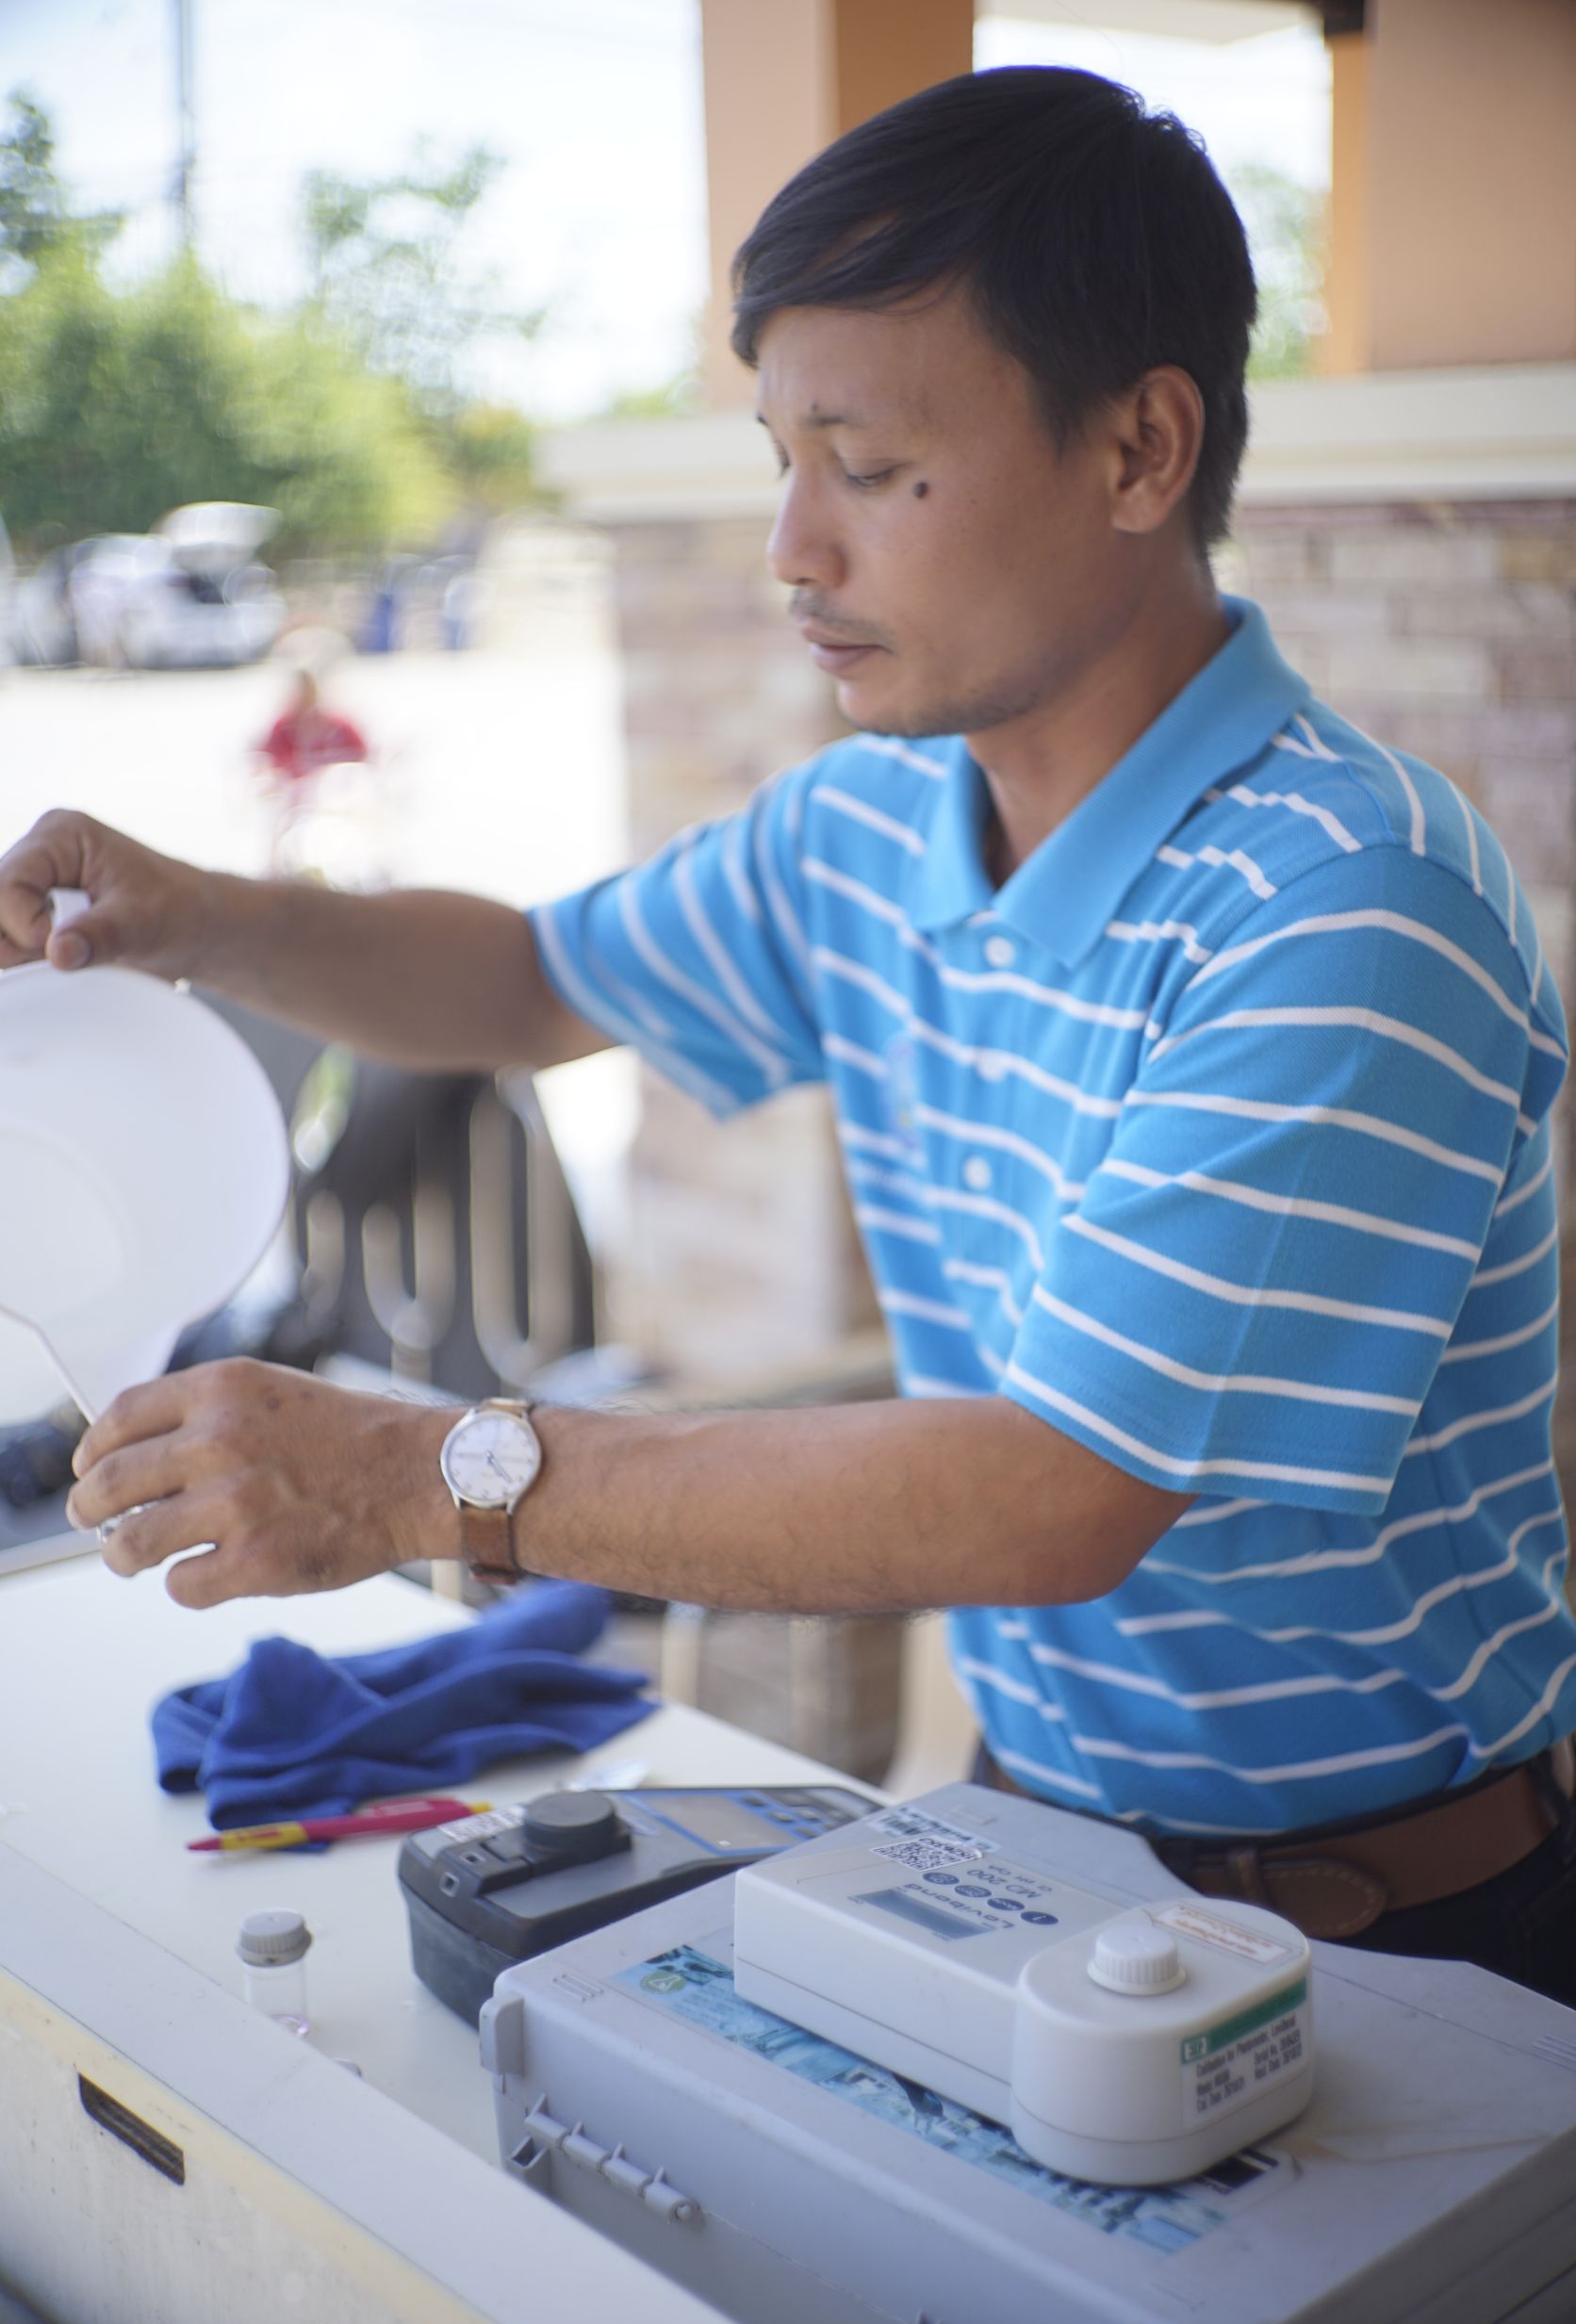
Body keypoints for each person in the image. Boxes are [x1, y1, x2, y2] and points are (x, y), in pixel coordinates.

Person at [3, 68, 1572, 2003]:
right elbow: (523, 983)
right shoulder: (869, 824)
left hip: (1399, 1933)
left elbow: (1047, 1489)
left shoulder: (1344, 900)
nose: (787, 550)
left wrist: (423, 1477)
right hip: (1036, 1853)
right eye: (775, 455)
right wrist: (195, 917)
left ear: (1138, 448)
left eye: (868, 465)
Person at [254, 666, 370, 867]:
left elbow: (364, 758)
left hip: (336, 799)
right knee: (281, 835)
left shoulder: (339, 725)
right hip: (296, 804)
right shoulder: (284, 727)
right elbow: (267, 762)